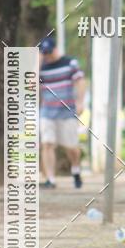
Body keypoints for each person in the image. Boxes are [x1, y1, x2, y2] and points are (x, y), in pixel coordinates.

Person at [39, 37, 86, 189]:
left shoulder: (70, 63)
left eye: (49, 52)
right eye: (44, 53)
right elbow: (31, 85)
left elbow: (80, 81)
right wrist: (37, 62)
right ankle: (50, 179)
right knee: (47, 144)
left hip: (67, 111)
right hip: (47, 111)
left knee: (71, 147)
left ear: (55, 49)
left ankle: (76, 169)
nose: (48, 55)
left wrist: (80, 102)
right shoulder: (40, 67)